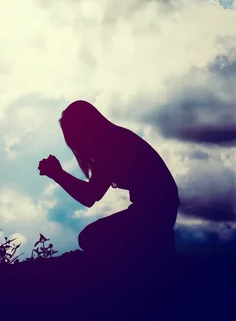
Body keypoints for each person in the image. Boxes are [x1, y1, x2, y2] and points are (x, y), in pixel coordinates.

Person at [38, 100, 179, 264]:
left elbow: (89, 196)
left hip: (155, 210)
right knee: (93, 238)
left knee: (90, 238)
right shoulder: (112, 139)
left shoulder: (109, 144)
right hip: (158, 209)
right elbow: (92, 194)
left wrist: (57, 174)